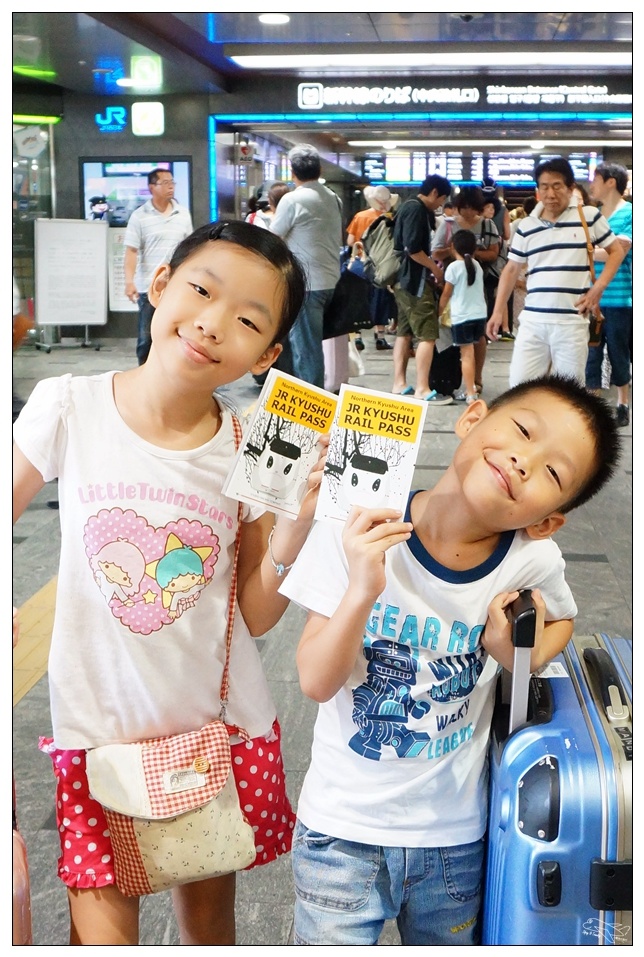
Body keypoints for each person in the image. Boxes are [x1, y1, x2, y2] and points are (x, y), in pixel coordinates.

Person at [12, 221, 326, 946]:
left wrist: (296, 526)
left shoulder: (250, 446)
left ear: (269, 353)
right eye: (201, 291)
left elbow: (253, 614)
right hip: (96, 727)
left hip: (205, 728)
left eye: (248, 320)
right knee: (99, 922)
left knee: (209, 927)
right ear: (160, 286)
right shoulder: (69, 405)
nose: (214, 324)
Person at [280, 374, 621, 946]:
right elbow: (315, 680)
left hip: (455, 841)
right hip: (340, 833)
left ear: (548, 520)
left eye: (552, 472)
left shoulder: (531, 559)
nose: (522, 461)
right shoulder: (358, 524)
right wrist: (363, 589)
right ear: (471, 418)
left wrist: (516, 654)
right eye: (521, 430)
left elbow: (562, 619)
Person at [487, 157, 625, 387]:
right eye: (544, 187)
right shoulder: (527, 226)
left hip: (570, 323)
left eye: (557, 186)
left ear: (571, 188)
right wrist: (497, 311)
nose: (550, 193)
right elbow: (511, 269)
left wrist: (598, 289)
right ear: (538, 190)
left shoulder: (588, 217)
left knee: (569, 395)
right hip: (532, 322)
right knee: (520, 389)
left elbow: (616, 251)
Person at [270, 144, 343, 388]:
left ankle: (312, 411)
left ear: (292, 172)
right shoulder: (334, 198)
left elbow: (274, 238)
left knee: (307, 350)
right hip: (332, 283)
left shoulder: (291, 200)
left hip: (306, 285)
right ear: (319, 169)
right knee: (311, 346)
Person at [390, 173, 453, 403]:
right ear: (435, 192)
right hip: (414, 281)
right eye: (442, 199)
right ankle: (422, 389)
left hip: (401, 281)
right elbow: (414, 250)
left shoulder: (406, 207)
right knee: (427, 334)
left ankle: (399, 384)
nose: (440, 205)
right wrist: (435, 270)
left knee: (404, 333)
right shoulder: (417, 210)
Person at [433, 186, 501, 395]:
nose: (467, 213)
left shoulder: (488, 225)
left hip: (478, 289)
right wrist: (457, 253)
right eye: (463, 208)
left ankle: (474, 382)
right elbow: (435, 252)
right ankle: (453, 377)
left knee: (473, 342)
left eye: (472, 208)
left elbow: (495, 254)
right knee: (455, 339)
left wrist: (471, 254)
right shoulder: (447, 225)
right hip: (459, 291)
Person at [124, 168, 194, 365]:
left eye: (172, 182)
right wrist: (129, 282)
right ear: (151, 187)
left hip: (177, 288)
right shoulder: (139, 216)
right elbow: (131, 251)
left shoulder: (183, 214)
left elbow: (188, 248)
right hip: (149, 288)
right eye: (164, 182)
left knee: (177, 337)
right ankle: (144, 377)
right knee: (146, 339)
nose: (170, 186)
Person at [584, 163, 632, 427]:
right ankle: (594, 406)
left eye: (596, 179)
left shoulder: (631, 213)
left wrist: (589, 250)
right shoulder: (593, 215)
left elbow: (620, 251)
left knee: (618, 351)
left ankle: (623, 403)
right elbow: (609, 248)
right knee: (592, 352)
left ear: (611, 182)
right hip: (592, 300)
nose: (592, 185)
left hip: (619, 298)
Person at [438, 230, 487, 404]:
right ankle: (472, 386)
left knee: (466, 355)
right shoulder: (477, 265)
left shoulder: (453, 268)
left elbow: (446, 294)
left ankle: (470, 393)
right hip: (480, 314)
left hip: (462, 316)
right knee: (472, 352)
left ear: (452, 247)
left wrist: (439, 312)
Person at [347, 185, 396, 351]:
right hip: (380, 266)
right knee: (379, 299)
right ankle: (380, 337)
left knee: (359, 300)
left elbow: (350, 241)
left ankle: (358, 336)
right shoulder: (390, 219)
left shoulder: (360, 216)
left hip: (360, 264)